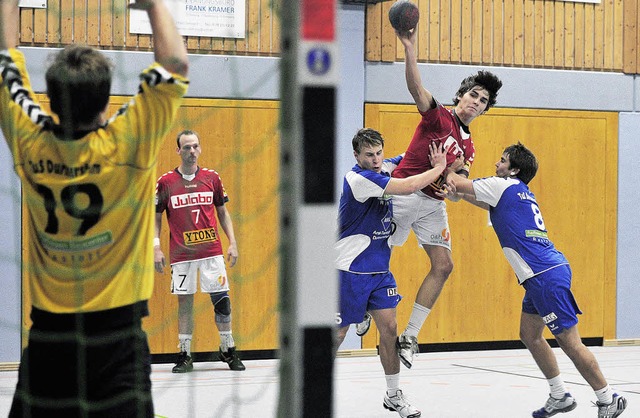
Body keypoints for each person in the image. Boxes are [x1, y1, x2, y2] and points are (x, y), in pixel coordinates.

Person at [0, 0, 189, 415]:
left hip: (49, 340)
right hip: (117, 342)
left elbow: (4, 64)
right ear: (106, 101)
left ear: (49, 100)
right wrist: (154, 4)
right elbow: (175, 60)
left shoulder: (29, 140)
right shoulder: (127, 142)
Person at [442, 142, 628, 418]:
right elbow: (467, 194)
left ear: (514, 170)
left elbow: (456, 181)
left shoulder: (503, 185)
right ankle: (559, 396)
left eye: (502, 161)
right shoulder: (516, 192)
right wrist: (456, 184)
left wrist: (446, 164)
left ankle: (607, 397)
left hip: (544, 275)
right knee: (529, 335)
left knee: (570, 342)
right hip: (540, 275)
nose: (497, 164)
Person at [355, 27, 504, 368]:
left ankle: (410, 336)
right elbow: (415, 87)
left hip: (432, 206)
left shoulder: (469, 146)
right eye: (473, 95)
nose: (476, 102)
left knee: (444, 265)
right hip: (405, 193)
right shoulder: (438, 117)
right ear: (461, 95)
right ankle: (362, 304)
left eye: (483, 101)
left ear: (484, 110)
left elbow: (457, 189)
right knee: (377, 256)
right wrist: (409, 47)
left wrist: (453, 187)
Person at [335, 128, 448, 418]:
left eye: (378, 153)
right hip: (350, 269)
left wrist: (442, 141)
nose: (375, 160)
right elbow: (409, 186)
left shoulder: (384, 166)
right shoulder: (359, 178)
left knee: (389, 330)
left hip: (380, 271)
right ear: (356, 156)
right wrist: (438, 167)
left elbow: (408, 159)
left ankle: (393, 395)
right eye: (368, 155)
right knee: (337, 335)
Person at [154, 130, 245, 372]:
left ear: (200, 148)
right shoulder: (165, 182)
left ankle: (227, 348)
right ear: (178, 151)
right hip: (182, 254)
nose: (191, 151)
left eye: (195, 146)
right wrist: (156, 248)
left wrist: (233, 242)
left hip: (211, 252)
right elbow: (156, 218)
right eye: (186, 147)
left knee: (222, 301)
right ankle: (184, 354)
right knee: (185, 303)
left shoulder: (212, 178)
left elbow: (223, 213)